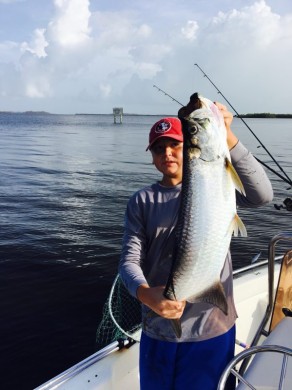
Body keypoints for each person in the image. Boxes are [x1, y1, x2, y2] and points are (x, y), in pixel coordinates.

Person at [119, 98, 273, 390]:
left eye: (176, 144)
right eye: (159, 148)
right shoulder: (141, 201)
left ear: (189, 148)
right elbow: (128, 261)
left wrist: (228, 136)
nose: (168, 153)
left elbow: (263, 195)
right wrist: (145, 294)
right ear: (151, 155)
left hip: (211, 329)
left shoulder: (220, 180)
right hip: (158, 328)